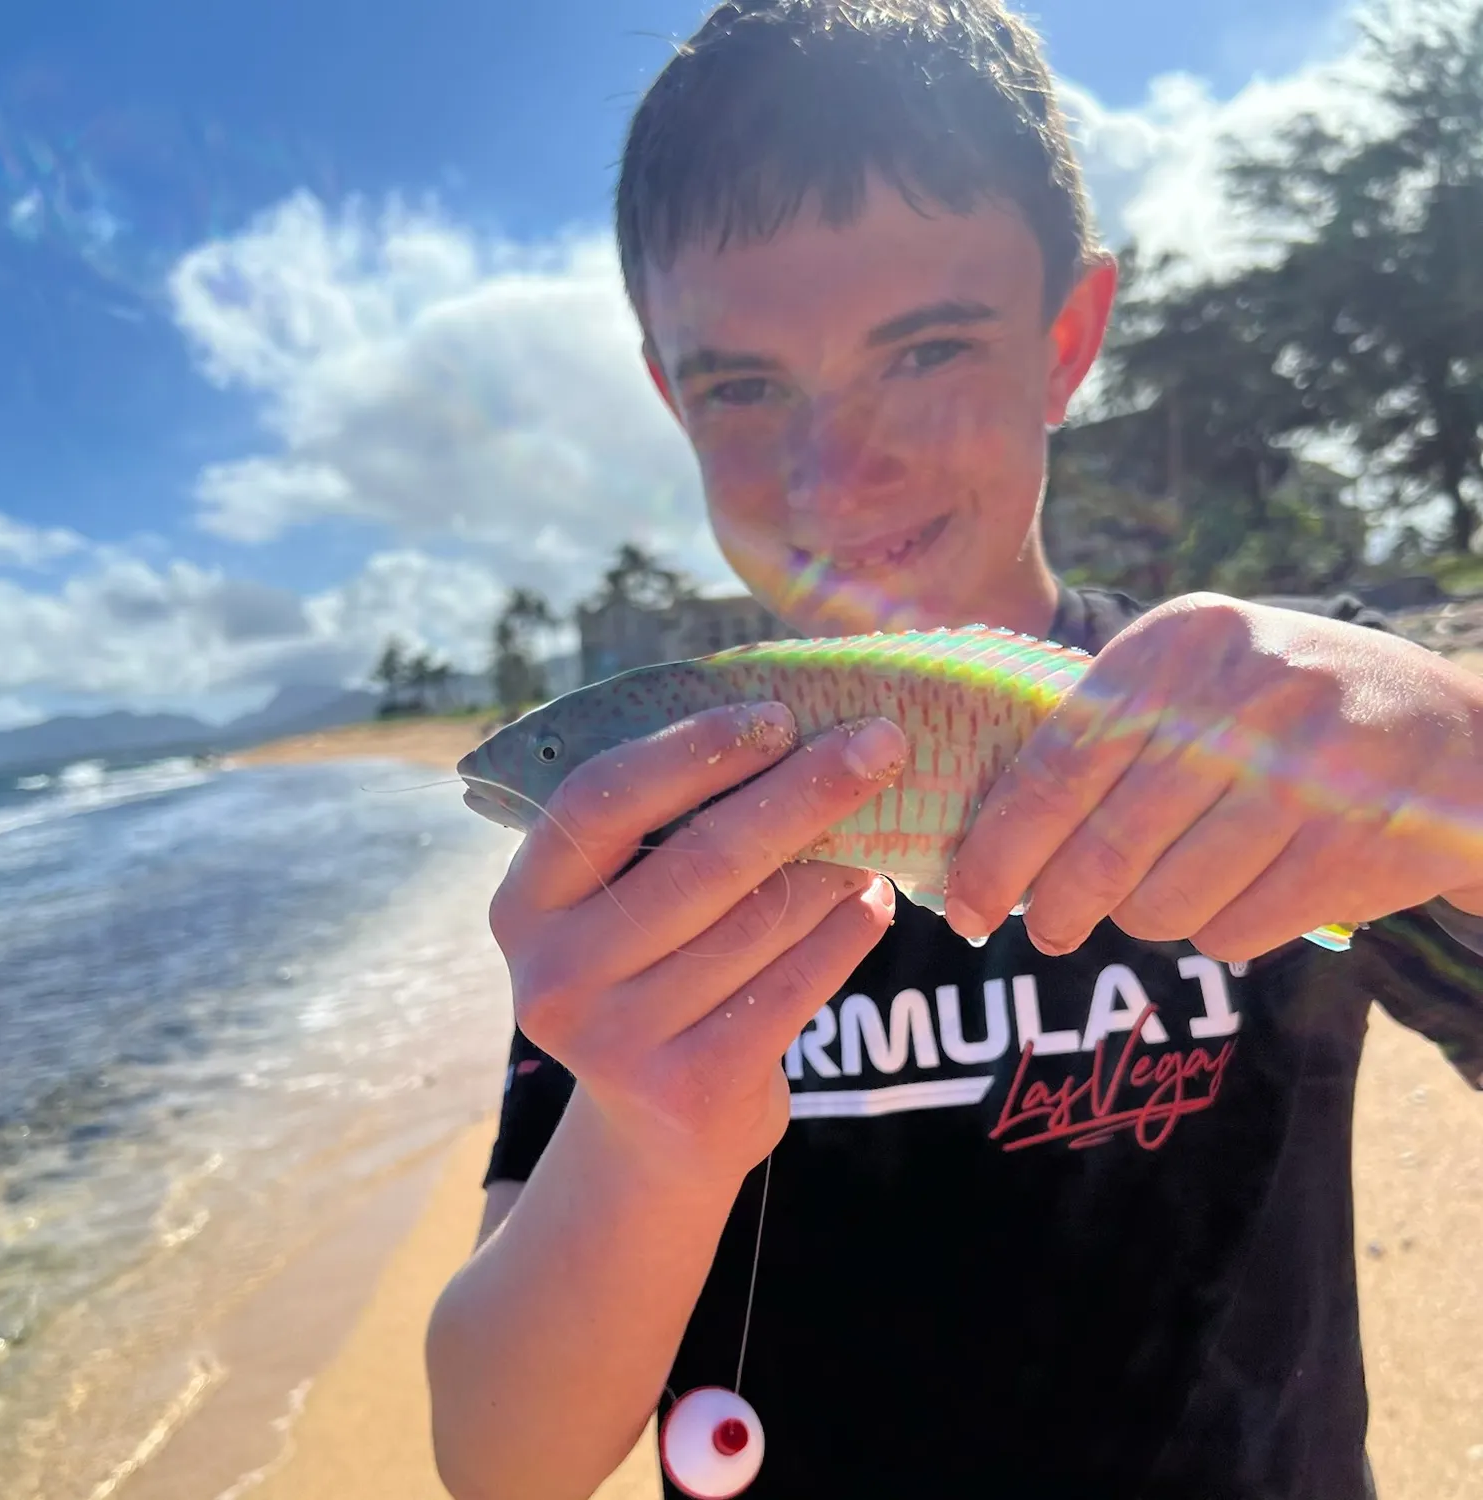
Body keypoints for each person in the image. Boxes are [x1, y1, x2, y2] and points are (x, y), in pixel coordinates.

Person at [424, 4, 1483, 1497]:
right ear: (669, 392)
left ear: (1067, 341)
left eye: (924, 349)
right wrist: (654, 1140)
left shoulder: (1276, 740)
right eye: (742, 385)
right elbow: (499, 1461)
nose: (836, 470)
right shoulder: (647, 827)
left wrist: (1463, 767)